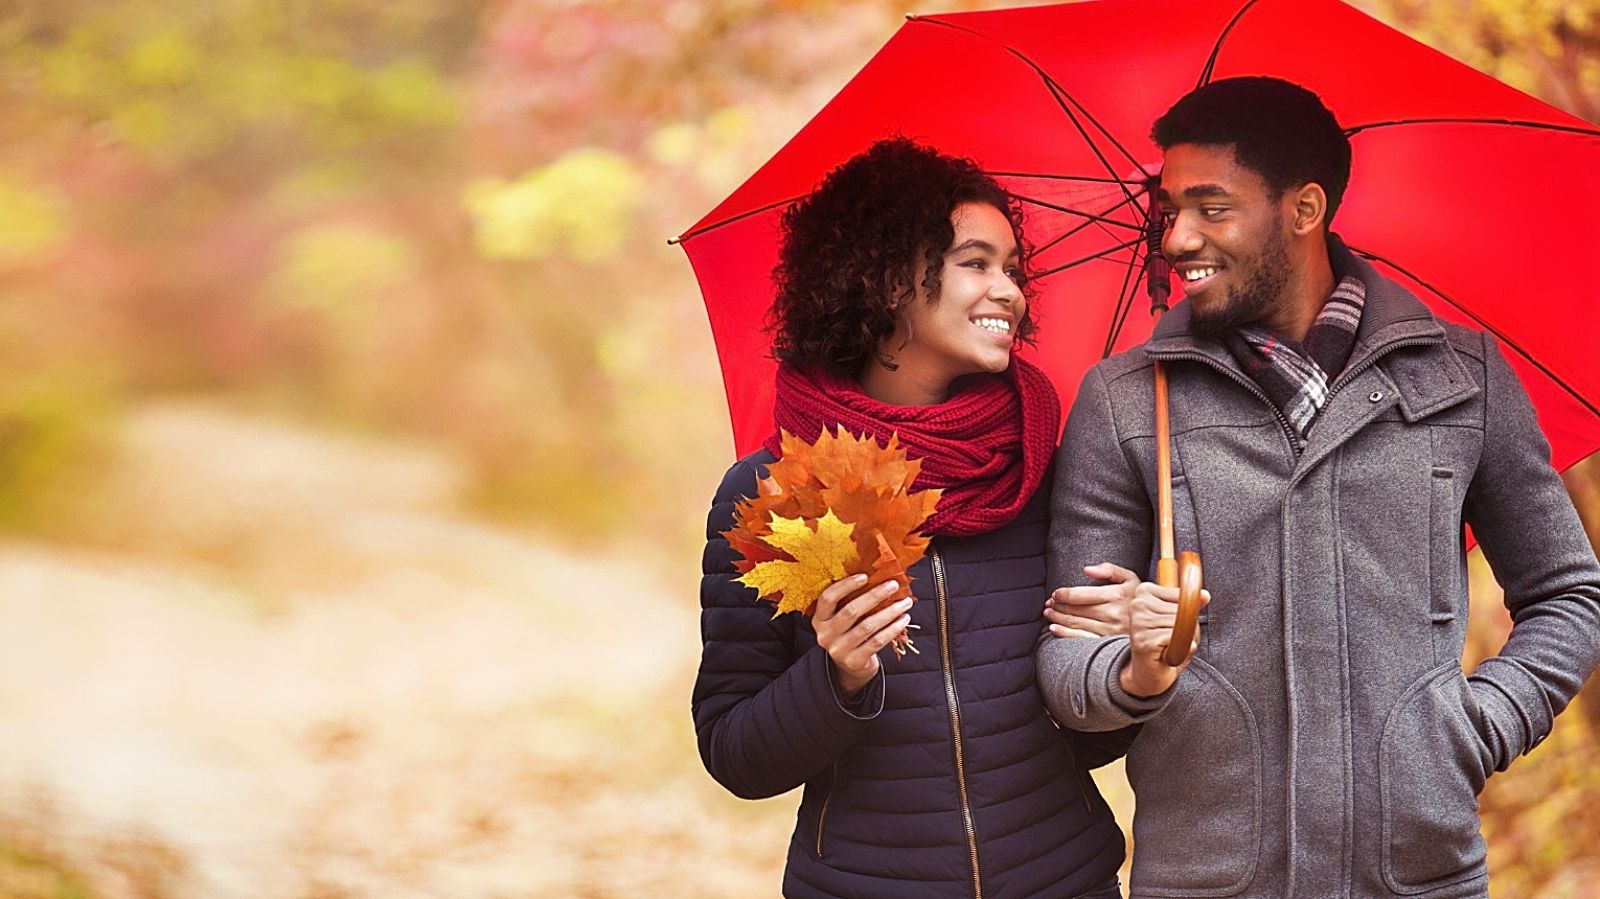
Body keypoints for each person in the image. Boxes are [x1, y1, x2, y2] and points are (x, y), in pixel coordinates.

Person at [1036, 76, 1600, 899]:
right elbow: (1065, 657)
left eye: (1212, 207)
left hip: (1419, 877)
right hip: (1205, 882)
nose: (1177, 237)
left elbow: (1568, 591)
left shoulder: (1463, 378)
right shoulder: (1123, 402)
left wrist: (1473, 728)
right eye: (1170, 209)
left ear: (1304, 210)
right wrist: (1134, 672)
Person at [693, 137, 1128, 899]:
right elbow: (735, 753)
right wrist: (837, 676)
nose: (1011, 291)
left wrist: (1128, 662)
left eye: (1014, 268)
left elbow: (1094, 739)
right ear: (892, 278)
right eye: (977, 262)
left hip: (1065, 880)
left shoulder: (1040, 470)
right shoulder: (774, 490)